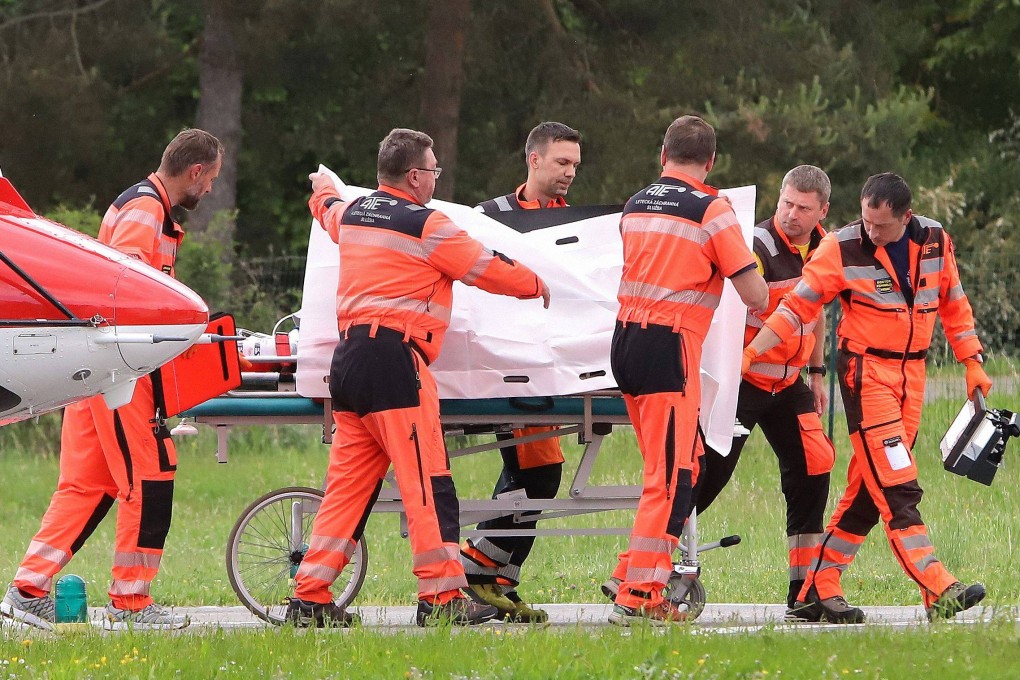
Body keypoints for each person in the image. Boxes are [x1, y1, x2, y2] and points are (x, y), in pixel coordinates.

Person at [289, 128, 551, 628]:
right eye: (433, 170)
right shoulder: (426, 224)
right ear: (414, 175)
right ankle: (440, 598)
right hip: (395, 366)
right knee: (428, 484)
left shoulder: (355, 214)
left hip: (347, 366)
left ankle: (311, 596)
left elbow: (325, 209)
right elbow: (483, 267)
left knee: (348, 488)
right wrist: (536, 282)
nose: (436, 178)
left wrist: (322, 186)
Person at [743, 172, 993, 623]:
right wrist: (753, 352)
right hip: (866, 374)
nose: (871, 233)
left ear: (906, 217)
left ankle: (818, 582)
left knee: (866, 490)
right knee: (897, 482)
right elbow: (797, 307)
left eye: (881, 226)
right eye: (865, 222)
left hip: (912, 374)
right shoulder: (840, 247)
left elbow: (954, 302)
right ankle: (937, 584)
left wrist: (971, 360)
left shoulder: (935, 240)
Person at [1, 128, 223, 631]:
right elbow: (123, 295)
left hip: (95, 374)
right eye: (210, 179)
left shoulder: (141, 205)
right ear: (194, 171)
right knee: (149, 475)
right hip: (116, 375)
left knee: (87, 485)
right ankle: (132, 603)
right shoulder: (146, 213)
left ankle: (27, 589)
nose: (209, 190)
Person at [606, 115, 769, 626]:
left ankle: (631, 570)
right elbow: (754, 295)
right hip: (669, 350)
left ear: (662, 154)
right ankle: (639, 596)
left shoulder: (636, 204)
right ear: (711, 162)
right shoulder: (712, 210)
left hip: (625, 344)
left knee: (682, 461)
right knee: (672, 477)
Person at [694, 165, 836, 620]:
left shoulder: (825, 249)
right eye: (786, 203)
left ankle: (807, 588)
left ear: (822, 211)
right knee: (708, 471)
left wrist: (816, 375)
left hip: (789, 383)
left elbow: (815, 315)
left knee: (816, 463)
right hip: (742, 380)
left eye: (803, 208)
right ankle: (642, 570)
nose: (791, 214)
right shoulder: (755, 245)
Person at [461, 121, 581, 623]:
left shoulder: (579, 224)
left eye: (575, 164)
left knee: (533, 474)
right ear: (533, 160)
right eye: (561, 162)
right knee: (538, 472)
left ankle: (492, 579)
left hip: (552, 370)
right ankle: (478, 567)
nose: (570, 172)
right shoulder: (489, 217)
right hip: (504, 367)